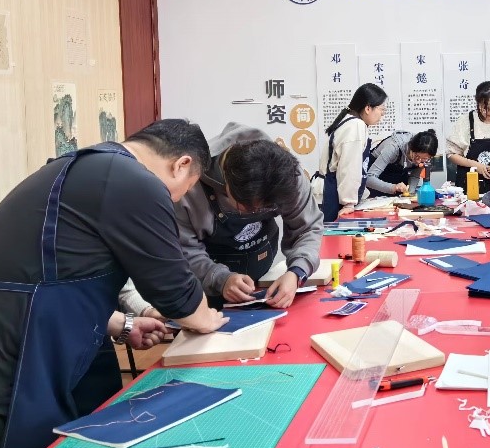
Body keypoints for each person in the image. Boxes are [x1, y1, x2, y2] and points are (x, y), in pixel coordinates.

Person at [0, 120, 226, 448]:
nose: (174, 201)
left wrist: (121, 323)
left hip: (7, 347)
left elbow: (51, 279)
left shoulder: (89, 168)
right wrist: (208, 318)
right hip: (1, 378)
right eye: (182, 192)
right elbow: (177, 295)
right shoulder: (133, 181)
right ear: (181, 164)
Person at [175, 122, 323, 309]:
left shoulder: (288, 176)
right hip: (204, 275)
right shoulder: (189, 184)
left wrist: (297, 272)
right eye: (246, 208)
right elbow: (185, 249)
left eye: (265, 209)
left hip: (260, 259)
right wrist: (220, 278)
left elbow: (307, 228)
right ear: (227, 182)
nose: (254, 213)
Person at [323, 83, 387, 220]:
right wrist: (348, 203)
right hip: (332, 197)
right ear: (368, 108)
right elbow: (349, 167)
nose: (383, 113)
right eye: (381, 108)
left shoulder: (351, 121)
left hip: (331, 192)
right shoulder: (356, 125)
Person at [365, 129, 439, 196]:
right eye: (416, 157)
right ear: (410, 147)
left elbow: (414, 176)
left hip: (397, 183)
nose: (418, 161)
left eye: (424, 159)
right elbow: (369, 178)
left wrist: (410, 193)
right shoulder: (393, 147)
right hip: (377, 184)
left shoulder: (425, 154)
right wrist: (394, 187)